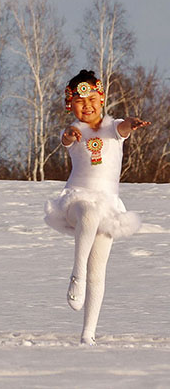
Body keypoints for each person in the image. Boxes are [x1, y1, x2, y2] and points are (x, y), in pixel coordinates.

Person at [44, 69, 149, 345]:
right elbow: (66, 139)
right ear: (71, 106)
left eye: (91, 99)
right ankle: (76, 274)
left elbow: (122, 128)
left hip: (109, 206)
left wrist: (131, 123)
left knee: (99, 268)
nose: (86, 105)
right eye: (79, 102)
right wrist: (67, 135)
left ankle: (88, 335)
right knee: (89, 213)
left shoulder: (113, 126)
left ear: (101, 99)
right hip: (76, 200)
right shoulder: (75, 130)